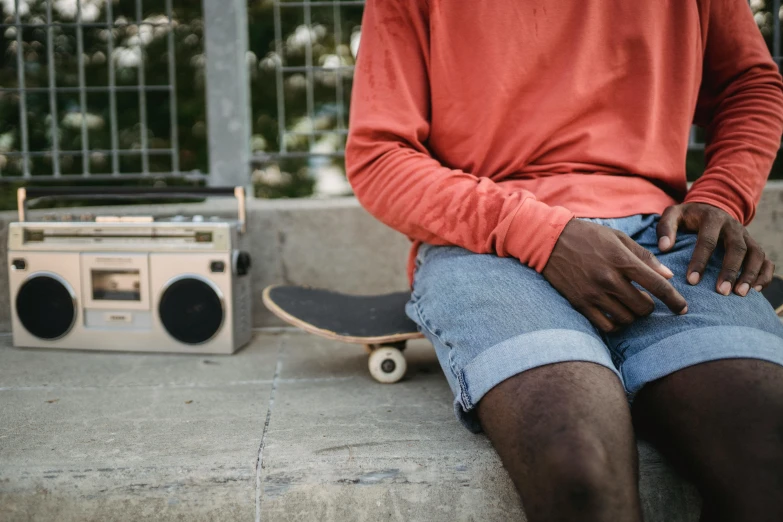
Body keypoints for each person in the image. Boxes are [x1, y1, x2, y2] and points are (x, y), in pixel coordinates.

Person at [345, 1, 783, 521]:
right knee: (579, 473)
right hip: (490, 240)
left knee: (765, 458)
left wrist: (722, 195)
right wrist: (542, 235)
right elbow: (379, 155)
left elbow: (748, 84)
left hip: (663, 237)